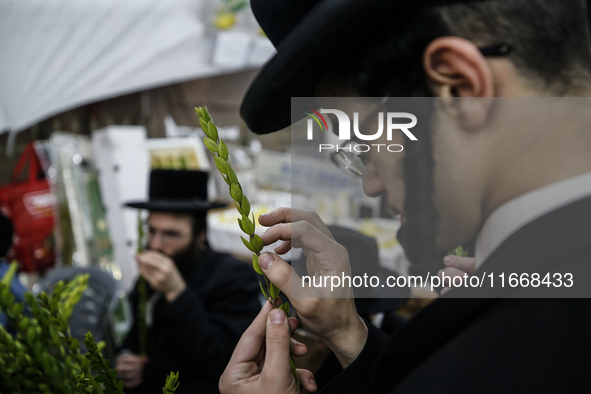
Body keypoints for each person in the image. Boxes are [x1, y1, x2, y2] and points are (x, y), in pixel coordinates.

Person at [218, 0, 591, 393]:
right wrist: (347, 333)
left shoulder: (527, 348)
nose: (371, 185)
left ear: (458, 88)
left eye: (364, 146)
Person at [116, 169, 261, 394]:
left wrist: (177, 293)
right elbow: (138, 331)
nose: (155, 244)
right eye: (152, 231)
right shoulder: (150, 274)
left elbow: (221, 362)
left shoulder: (234, 279)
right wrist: (126, 358)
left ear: (200, 234)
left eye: (171, 234)